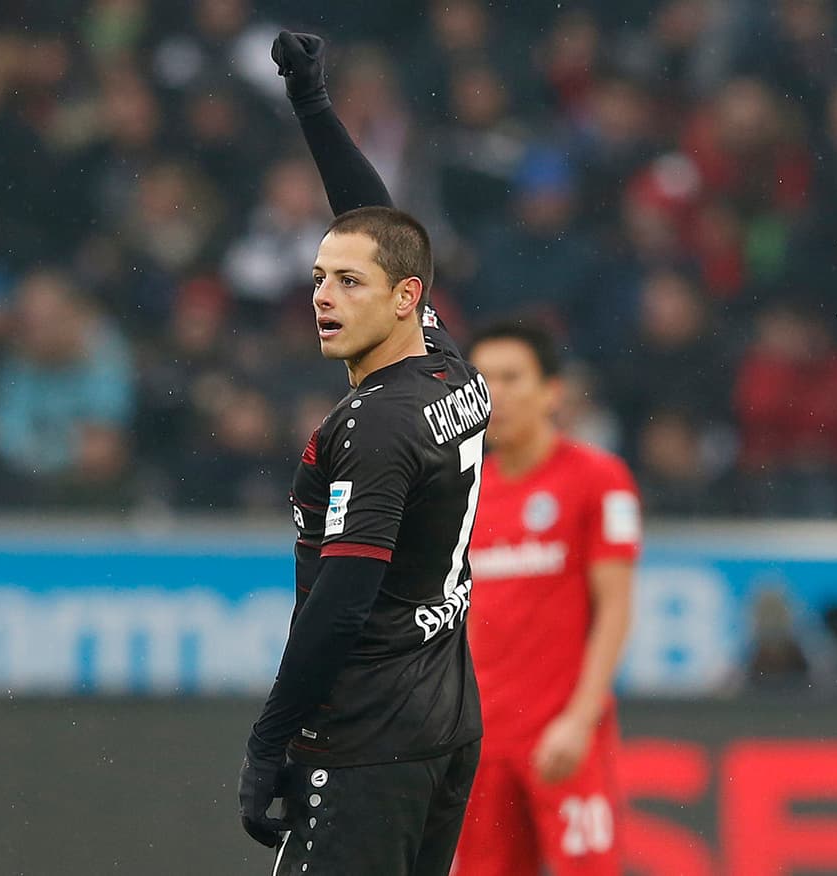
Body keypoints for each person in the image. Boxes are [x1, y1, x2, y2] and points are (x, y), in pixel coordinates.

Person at [237, 32, 488, 876]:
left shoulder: (376, 427)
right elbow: (382, 232)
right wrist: (312, 104)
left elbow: (342, 604)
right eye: (318, 277)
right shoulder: (446, 364)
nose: (323, 297)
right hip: (445, 721)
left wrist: (269, 741)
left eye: (349, 284)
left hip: (367, 737)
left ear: (405, 299)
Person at [455, 323, 640, 876]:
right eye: (483, 381)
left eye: (512, 378)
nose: (497, 395)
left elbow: (616, 606)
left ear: (552, 392)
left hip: (562, 734)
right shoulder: (460, 493)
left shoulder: (598, 479)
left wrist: (580, 720)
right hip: (481, 743)